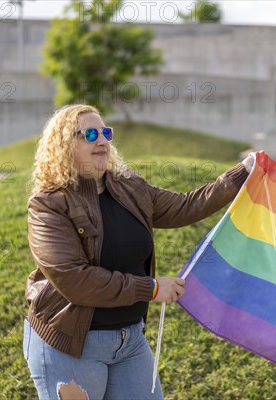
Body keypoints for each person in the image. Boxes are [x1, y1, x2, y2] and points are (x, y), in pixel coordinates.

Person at [23, 104, 253, 400]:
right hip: (70, 345)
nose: (103, 141)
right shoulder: (49, 204)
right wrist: (152, 288)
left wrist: (241, 173)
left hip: (129, 341)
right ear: (64, 144)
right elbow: (73, 279)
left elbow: (185, 206)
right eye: (90, 134)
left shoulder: (129, 187)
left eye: (106, 132)